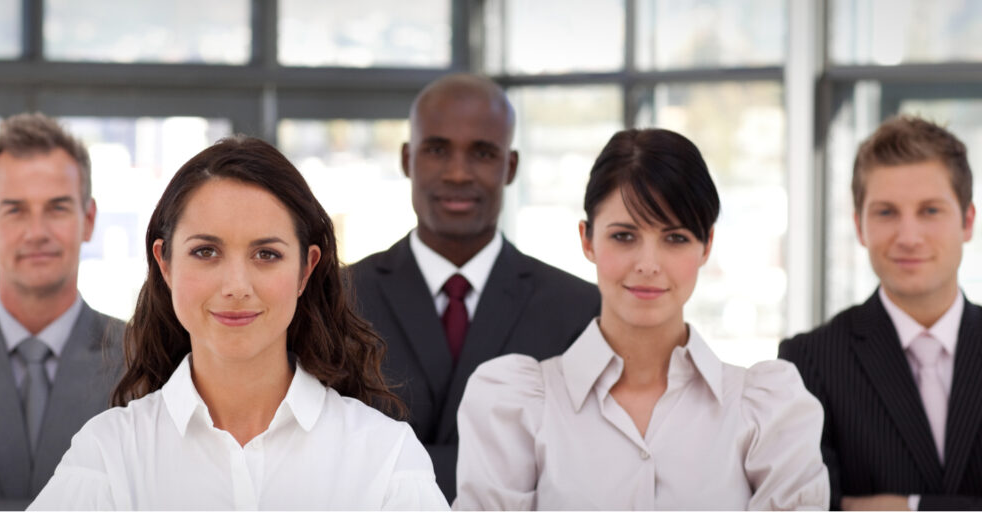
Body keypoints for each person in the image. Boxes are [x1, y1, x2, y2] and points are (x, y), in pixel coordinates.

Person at [28, 136, 448, 510]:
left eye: (266, 254)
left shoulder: (384, 458)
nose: (235, 286)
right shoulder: (109, 454)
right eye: (206, 252)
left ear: (306, 270)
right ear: (165, 264)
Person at [454, 128, 829, 510]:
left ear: (707, 246)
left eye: (675, 238)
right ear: (587, 241)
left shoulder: (767, 411)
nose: (648, 265)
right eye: (624, 236)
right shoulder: (515, 407)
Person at [348, 73, 601, 500]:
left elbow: (584, 469)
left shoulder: (578, 310)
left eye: (482, 153)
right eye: (437, 150)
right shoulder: (340, 299)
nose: (459, 173)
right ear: (407, 159)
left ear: (511, 166)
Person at [779, 116, 982, 511]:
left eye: (930, 211)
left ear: (967, 221)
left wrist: (909, 507)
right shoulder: (809, 361)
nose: (908, 237)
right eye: (886, 212)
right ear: (859, 227)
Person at [0, 113, 124, 511]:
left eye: (57, 208)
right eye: (15, 210)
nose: (37, 232)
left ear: (88, 219)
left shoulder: (146, 357)